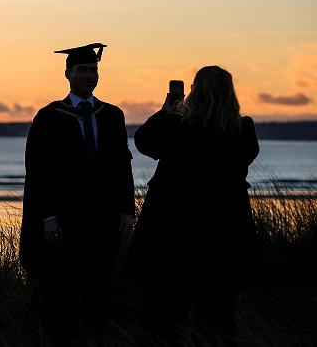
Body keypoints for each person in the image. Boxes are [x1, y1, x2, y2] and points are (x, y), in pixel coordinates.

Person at [124, 66, 260, 346]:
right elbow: (246, 158)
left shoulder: (177, 125)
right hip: (224, 231)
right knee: (217, 316)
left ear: (195, 91)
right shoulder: (242, 128)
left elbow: (144, 143)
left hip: (173, 231)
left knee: (161, 317)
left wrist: (167, 111)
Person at [19, 43, 135, 345]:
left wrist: (126, 209)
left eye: (94, 70)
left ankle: (92, 338)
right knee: (59, 289)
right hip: (64, 219)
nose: (90, 76)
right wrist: (49, 216)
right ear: (68, 73)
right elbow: (39, 171)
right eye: (83, 70)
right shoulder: (49, 116)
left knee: (97, 289)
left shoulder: (111, 115)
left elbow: (123, 163)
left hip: (103, 218)